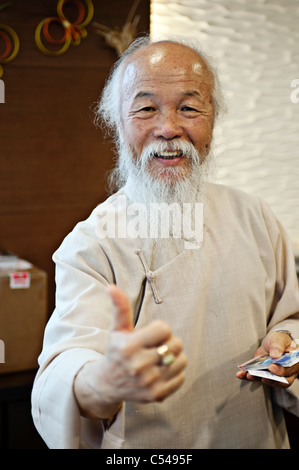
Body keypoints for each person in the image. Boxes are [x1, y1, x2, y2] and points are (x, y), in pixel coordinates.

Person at [31, 35, 299, 449]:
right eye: (146, 108)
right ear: (117, 122)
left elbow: (290, 317)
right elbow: (62, 370)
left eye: (190, 108)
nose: (169, 128)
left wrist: (284, 341)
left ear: (213, 118)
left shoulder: (254, 215)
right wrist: (103, 381)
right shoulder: (92, 243)